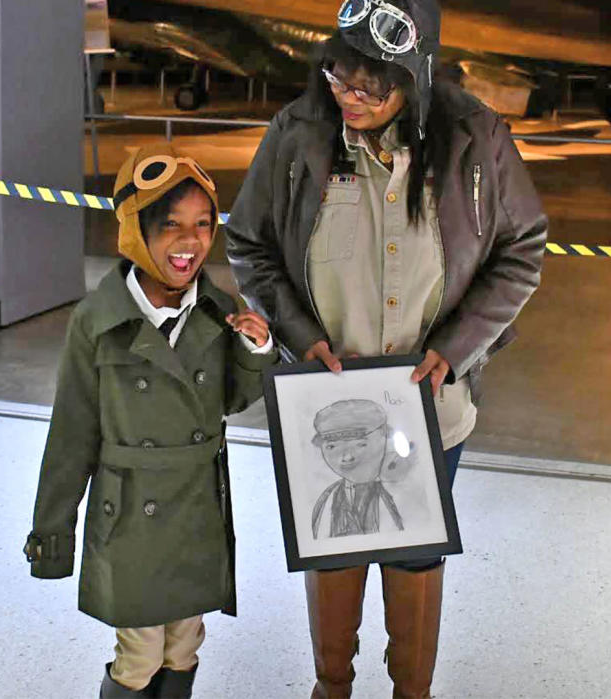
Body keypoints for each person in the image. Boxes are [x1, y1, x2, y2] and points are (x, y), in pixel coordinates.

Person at [225, 0, 548, 695]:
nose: (352, 98)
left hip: (431, 400)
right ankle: (332, 684)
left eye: (373, 85)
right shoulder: (298, 133)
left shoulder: (474, 138)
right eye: (341, 78)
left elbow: (523, 249)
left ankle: (411, 691)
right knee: (334, 551)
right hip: (326, 397)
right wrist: (298, 336)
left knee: (413, 552)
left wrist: (457, 346)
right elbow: (248, 242)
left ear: (418, 73)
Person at [24, 143, 278, 698]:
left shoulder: (215, 309)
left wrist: (255, 351)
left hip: (194, 508)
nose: (190, 242)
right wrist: (52, 533)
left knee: (185, 643)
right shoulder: (97, 322)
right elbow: (71, 434)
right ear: (136, 229)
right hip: (131, 512)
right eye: (170, 225)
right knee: (139, 655)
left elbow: (230, 399)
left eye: (204, 224)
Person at [310, 399, 410, 539]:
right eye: (331, 447)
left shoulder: (406, 494)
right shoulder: (326, 499)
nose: (347, 457)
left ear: (385, 438)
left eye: (360, 445)